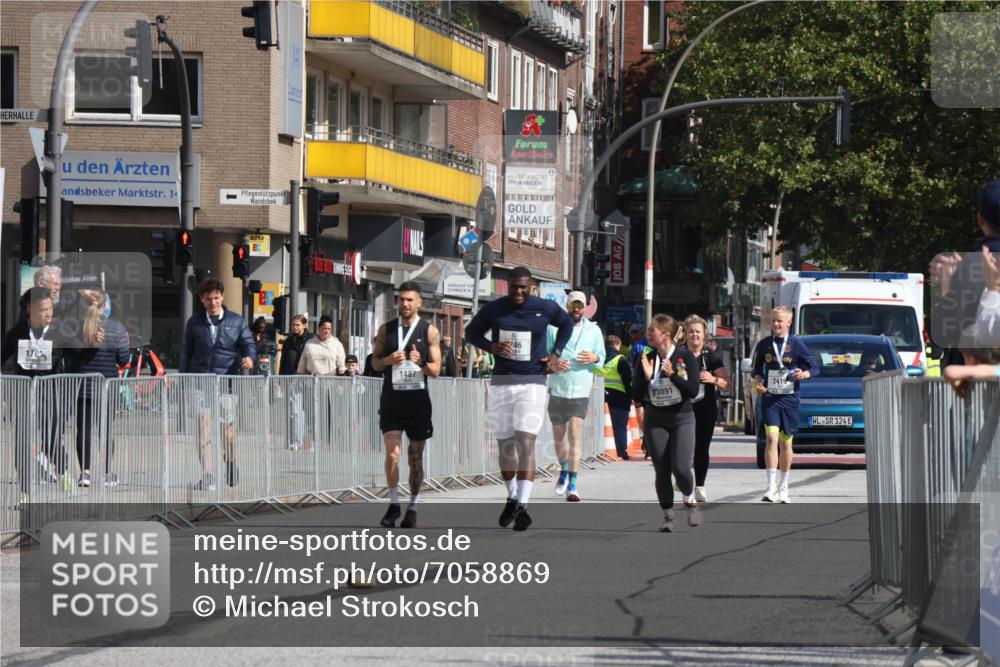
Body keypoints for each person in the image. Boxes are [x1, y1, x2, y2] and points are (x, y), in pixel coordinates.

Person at [465, 266, 573, 531]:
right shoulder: (495, 309)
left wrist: (556, 353)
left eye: (523, 287)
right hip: (502, 382)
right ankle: (512, 496)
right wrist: (489, 346)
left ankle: (523, 504)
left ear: (531, 285)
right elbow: (471, 332)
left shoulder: (545, 307)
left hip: (532, 382)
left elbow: (566, 324)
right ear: (508, 285)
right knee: (506, 445)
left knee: (526, 442)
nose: (519, 292)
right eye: (514, 287)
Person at [371, 282, 442, 528]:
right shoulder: (386, 330)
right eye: (401, 299)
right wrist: (388, 359)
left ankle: (413, 505)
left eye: (410, 300)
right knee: (392, 454)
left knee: (415, 458)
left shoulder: (429, 331)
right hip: (392, 400)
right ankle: (393, 504)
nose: (405, 304)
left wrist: (421, 362)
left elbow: (436, 370)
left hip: (417, 403)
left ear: (419, 302)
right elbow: (375, 363)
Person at [180, 278, 256, 491]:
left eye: (216, 298)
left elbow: (248, 344)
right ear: (201, 300)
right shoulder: (194, 323)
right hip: (199, 381)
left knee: (227, 431)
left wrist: (250, 358)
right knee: (203, 429)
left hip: (226, 382)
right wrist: (184, 382)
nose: (212, 302)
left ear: (222, 297)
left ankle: (230, 461)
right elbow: (186, 352)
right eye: (208, 299)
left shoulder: (236, 321)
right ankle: (208, 475)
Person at [631, 315, 702, 532]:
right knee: (661, 470)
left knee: (681, 468)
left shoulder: (684, 356)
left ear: (666, 334)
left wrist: (672, 376)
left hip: (682, 418)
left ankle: (690, 499)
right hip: (656, 419)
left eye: (652, 331)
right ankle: (668, 517)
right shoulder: (647, 356)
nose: (648, 334)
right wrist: (644, 376)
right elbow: (636, 394)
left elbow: (692, 390)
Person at [1, 288, 72, 498]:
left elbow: (78, 354)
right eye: (43, 309)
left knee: (52, 439)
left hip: (49, 395)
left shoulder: (59, 331)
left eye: (50, 308)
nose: (48, 313)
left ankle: (63, 472)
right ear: (30, 310)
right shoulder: (18, 332)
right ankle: (25, 491)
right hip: (23, 396)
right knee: (23, 443)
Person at [751, 306, 819, 504]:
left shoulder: (796, 344)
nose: (776, 324)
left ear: (789, 322)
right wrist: (758, 384)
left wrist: (804, 374)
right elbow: (756, 370)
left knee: (785, 442)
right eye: (773, 321)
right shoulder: (764, 344)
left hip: (790, 399)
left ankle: (784, 486)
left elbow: (814, 367)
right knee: (771, 438)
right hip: (771, 398)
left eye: (780, 321)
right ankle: (770, 487)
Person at [930, 178, 1000, 363]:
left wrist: (947, 287)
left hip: (980, 383)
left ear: (980, 219)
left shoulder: (971, 268)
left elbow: (942, 333)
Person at [65, 290, 130, 488]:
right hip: (107, 387)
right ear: (106, 306)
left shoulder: (75, 327)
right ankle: (108, 472)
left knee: (83, 430)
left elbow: (69, 355)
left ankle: (85, 473)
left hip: (82, 387)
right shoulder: (117, 328)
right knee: (106, 431)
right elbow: (124, 359)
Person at [546, 291, 605, 501]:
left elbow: (602, 357)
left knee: (574, 435)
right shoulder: (553, 329)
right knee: (559, 438)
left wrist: (594, 357)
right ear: (568, 307)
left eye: (580, 305)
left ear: (585, 307)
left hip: (581, 389)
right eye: (573, 305)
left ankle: (573, 484)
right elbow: (543, 357)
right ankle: (563, 470)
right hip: (558, 388)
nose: (577, 309)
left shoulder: (594, 330)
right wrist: (554, 363)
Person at [683, 315, 729, 503]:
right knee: (683, 448)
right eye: (691, 331)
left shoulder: (710, 356)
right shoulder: (678, 353)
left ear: (704, 335)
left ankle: (700, 486)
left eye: (698, 332)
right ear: (685, 334)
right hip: (682, 408)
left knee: (702, 448)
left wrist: (713, 380)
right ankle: (682, 479)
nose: (694, 335)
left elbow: (727, 383)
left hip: (705, 407)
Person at [594, 334, 633, 460]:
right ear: (618, 345)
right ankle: (621, 452)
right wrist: (631, 396)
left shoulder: (598, 360)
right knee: (619, 426)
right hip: (619, 398)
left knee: (600, 426)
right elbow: (628, 381)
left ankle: (598, 452)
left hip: (599, 397)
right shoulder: (620, 360)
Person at [628, 323, 653, 456]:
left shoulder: (660, 346)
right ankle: (647, 440)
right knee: (641, 416)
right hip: (641, 386)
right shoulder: (638, 346)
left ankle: (649, 442)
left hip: (655, 386)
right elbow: (631, 366)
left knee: (653, 416)